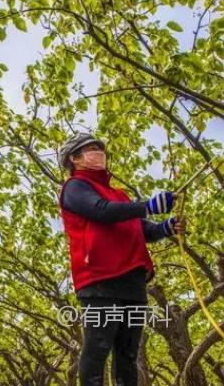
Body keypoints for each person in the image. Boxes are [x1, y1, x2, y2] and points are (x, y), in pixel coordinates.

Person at [57, 133, 185, 386]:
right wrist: (147, 205)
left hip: (133, 281)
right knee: (98, 346)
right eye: (92, 149)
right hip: (99, 281)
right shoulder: (75, 187)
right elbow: (99, 211)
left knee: (128, 352)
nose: (99, 153)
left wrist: (165, 227)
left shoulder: (120, 195)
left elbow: (142, 229)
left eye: (100, 149)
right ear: (74, 158)